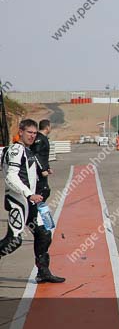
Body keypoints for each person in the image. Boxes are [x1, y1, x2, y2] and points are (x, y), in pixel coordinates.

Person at [0, 119, 65, 283]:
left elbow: (29, 173)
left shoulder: (27, 150)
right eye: (29, 132)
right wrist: (29, 194)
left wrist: (43, 174)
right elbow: (11, 177)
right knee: (14, 241)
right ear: (20, 132)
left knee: (44, 234)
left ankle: (43, 272)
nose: (32, 136)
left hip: (32, 202)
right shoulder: (16, 150)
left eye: (35, 133)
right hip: (19, 201)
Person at [30, 119, 53, 203]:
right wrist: (42, 169)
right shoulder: (39, 138)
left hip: (43, 169)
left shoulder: (44, 138)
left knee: (45, 191)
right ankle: (36, 208)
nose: (51, 128)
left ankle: (39, 207)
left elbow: (44, 156)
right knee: (43, 191)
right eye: (50, 126)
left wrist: (48, 168)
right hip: (38, 170)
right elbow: (35, 154)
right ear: (47, 127)